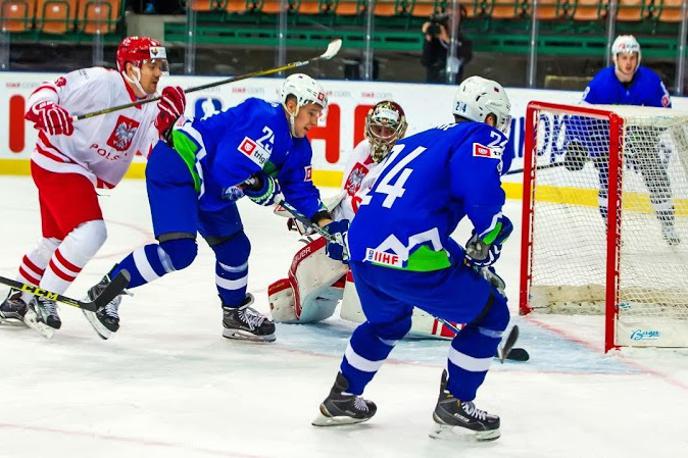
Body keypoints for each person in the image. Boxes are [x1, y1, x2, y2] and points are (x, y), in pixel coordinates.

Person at [312, 76, 513, 442]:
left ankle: (342, 397)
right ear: (488, 119)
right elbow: (482, 198)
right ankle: (456, 402)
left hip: (362, 247)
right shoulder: (479, 136)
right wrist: (490, 235)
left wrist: (470, 254)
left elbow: (402, 206)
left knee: (388, 323)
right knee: (492, 314)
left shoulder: (420, 138)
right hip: (408, 252)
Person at [83, 73, 346, 343]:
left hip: (211, 186)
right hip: (179, 165)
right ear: (292, 105)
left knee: (235, 248)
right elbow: (227, 168)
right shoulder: (262, 117)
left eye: (318, 115)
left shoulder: (299, 148)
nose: (315, 122)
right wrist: (261, 186)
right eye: (312, 113)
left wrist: (329, 225)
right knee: (179, 251)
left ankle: (234, 314)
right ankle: (103, 293)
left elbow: (301, 191)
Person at [0, 36, 186, 336]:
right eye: (151, 65)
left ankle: (18, 299)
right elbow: (49, 91)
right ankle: (42, 299)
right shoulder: (102, 81)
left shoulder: (151, 106)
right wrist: (46, 108)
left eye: (159, 65)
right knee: (91, 232)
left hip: (78, 171)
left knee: (55, 241)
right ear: (130, 68)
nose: (158, 72)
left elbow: (154, 152)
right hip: (58, 160)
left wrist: (167, 126)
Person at [268, 100, 410, 323]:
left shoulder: (402, 161)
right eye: (377, 129)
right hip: (351, 239)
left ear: (400, 131)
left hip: (385, 246)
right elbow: (347, 197)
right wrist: (316, 217)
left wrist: (325, 219)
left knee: (301, 274)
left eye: (388, 130)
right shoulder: (362, 149)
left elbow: (378, 211)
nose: (382, 136)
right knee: (284, 304)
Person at [565, 34, 679, 245]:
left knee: (656, 174)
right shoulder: (601, 84)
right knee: (608, 178)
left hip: (641, 136)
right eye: (623, 57)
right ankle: (612, 228)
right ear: (615, 58)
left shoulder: (651, 82)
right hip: (606, 136)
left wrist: (646, 130)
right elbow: (579, 117)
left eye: (632, 57)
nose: (628, 62)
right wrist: (575, 145)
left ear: (638, 58)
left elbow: (667, 115)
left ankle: (668, 224)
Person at [420, 11, 472, 84]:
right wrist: (428, 39)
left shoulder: (462, 38)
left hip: (453, 80)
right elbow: (425, 61)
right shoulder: (435, 40)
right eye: (449, 19)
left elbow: (466, 56)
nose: (451, 21)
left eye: (454, 18)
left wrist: (447, 39)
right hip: (433, 82)